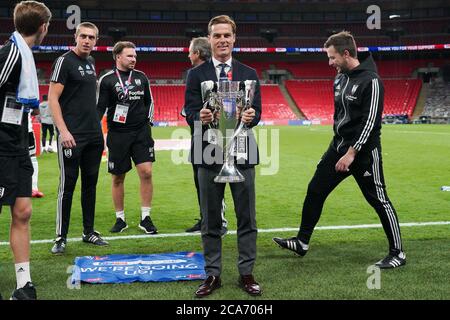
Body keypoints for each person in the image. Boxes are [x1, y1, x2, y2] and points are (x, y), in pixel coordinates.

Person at [273, 31, 406, 269]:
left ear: (346, 54)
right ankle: (302, 242)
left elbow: (371, 122)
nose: (330, 62)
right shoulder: (340, 79)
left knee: (378, 200)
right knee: (315, 189)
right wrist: (335, 149)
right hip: (338, 148)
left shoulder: (372, 81)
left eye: (332, 57)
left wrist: (352, 153)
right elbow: (340, 119)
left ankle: (398, 253)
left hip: (363, 154)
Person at [184, 15, 262, 297]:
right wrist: (199, 116)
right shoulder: (196, 74)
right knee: (210, 219)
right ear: (210, 39)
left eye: (227, 35)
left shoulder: (249, 72)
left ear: (234, 38)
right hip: (207, 150)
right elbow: (188, 111)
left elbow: (258, 112)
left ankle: (246, 272)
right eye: (217, 36)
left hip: (242, 151)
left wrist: (251, 117)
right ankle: (212, 274)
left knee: (246, 218)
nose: (222, 40)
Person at [0, 0, 51, 299]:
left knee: (23, 211)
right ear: (43, 27)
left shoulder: (25, 55)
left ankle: (23, 285)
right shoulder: (10, 53)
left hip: (17, 144)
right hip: (2, 146)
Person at [49, 22, 108, 255]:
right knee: (68, 185)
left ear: (96, 41)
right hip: (71, 136)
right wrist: (63, 131)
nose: (86, 40)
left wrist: (99, 131)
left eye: (91, 37)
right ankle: (60, 237)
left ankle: (88, 232)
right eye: (83, 36)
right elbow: (53, 99)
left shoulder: (91, 63)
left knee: (90, 185)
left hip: (93, 135)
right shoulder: (64, 61)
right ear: (76, 37)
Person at [97, 41, 157, 234]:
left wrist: (147, 122)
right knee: (118, 178)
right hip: (118, 134)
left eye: (135, 56)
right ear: (118, 57)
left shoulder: (141, 77)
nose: (134, 59)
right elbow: (100, 108)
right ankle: (120, 219)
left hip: (141, 132)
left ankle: (146, 217)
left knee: (146, 172)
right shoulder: (106, 80)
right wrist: (95, 131)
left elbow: (149, 101)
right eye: (130, 56)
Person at [182, 37, 227, 235]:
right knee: (200, 180)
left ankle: (220, 222)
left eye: (190, 51)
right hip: (199, 134)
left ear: (198, 53)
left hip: (217, 136)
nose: (188, 55)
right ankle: (206, 219)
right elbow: (191, 108)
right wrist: (192, 114)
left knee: (215, 179)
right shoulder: (194, 75)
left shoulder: (217, 73)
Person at [28, 113, 44, 197]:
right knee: (32, 157)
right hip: (26, 130)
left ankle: (33, 188)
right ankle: (33, 188)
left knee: (9, 157)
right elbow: (35, 110)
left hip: (8, 130)